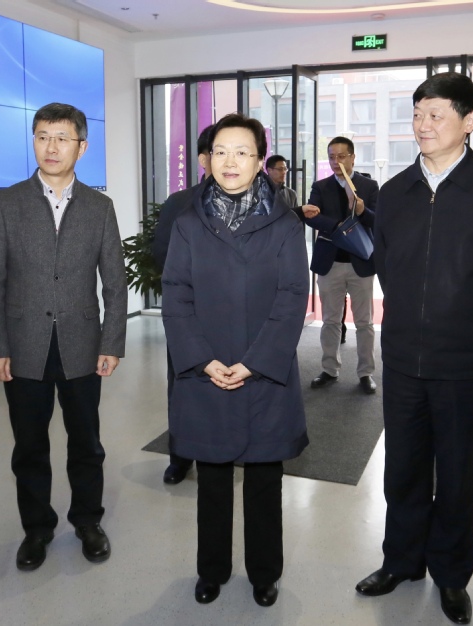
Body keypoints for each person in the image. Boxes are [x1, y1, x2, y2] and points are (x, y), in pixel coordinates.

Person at [356, 73, 473, 625]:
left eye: (435, 115)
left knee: (456, 475)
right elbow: (386, 266)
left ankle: (451, 575)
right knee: (402, 469)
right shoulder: (395, 192)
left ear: (469, 121)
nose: (422, 125)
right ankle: (401, 561)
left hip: (467, 364)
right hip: (404, 360)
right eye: (417, 114)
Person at [162, 113, 309, 608]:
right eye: (221, 151)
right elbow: (175, 294)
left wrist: (255, 362)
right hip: (206, 371)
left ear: (259, 159)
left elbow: (293, 295)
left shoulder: (284, 223)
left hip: (264, 372)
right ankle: (212, 570)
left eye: (242, 152)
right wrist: (202, 359)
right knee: (213, 478)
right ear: (207, 158)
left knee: (265, 479)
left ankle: (265, 573)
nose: (230, 161)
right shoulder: (188, 222)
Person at [0, 102, 128, 572]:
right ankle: (37, 528)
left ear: (82, 147)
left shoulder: (100, 207)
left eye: (62, 138)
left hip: (83, 344)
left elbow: (115, 283)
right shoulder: (6, 203)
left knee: (86, 443)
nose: (51, 147)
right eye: (42, 136)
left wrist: (111, 342)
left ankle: (88, 521)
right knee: (29, 447)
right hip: (24, 345)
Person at [152, 124, 213, 485]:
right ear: (204, 159)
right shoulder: (179, 203)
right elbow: (163, 256)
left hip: (240, 318)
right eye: (220, 152)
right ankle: (180, 456)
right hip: (188, 315)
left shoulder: (259, 205)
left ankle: (224, 450)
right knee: (184, 385)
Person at [295, 136, 379, 394]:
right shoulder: (321, 186)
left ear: (352, 157)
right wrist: (338, 227)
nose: (336, 162)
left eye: (341, 156)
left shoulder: (369, 185)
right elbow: (312, 217)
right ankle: (330, 369)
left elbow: (379, 221)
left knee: (364, 322)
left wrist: (362, 211)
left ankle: (366, 373)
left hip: (360, 263)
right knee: (331, 320)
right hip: (330, 262)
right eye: (331, 157)